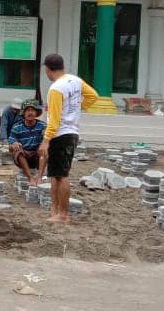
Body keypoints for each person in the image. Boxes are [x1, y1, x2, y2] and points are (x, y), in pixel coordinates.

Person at [41, 54, 98, 223]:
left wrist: (46, 140)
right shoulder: (75, 80)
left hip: (61, 134)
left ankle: (63, 214)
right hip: (72, 131)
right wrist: (78, 109)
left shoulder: (56, 88)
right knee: (55, 174)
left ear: (48, 69)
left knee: (62, 175)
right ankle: (55, 210)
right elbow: (94, 96)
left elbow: (54, 119)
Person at [8, 100, 47, 185]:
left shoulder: (42, 125)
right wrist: (13, 144)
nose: (30, 113)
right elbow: (10, 145)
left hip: (37, 157)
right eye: (28, 110)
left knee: (45, 148)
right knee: (17, 150)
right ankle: (30, 178)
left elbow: (47, 139)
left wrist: (44, 144)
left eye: (32, 110)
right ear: (24, 113)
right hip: (23, 157)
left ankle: (39, 177)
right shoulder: (17, 127)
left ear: (36, 113)